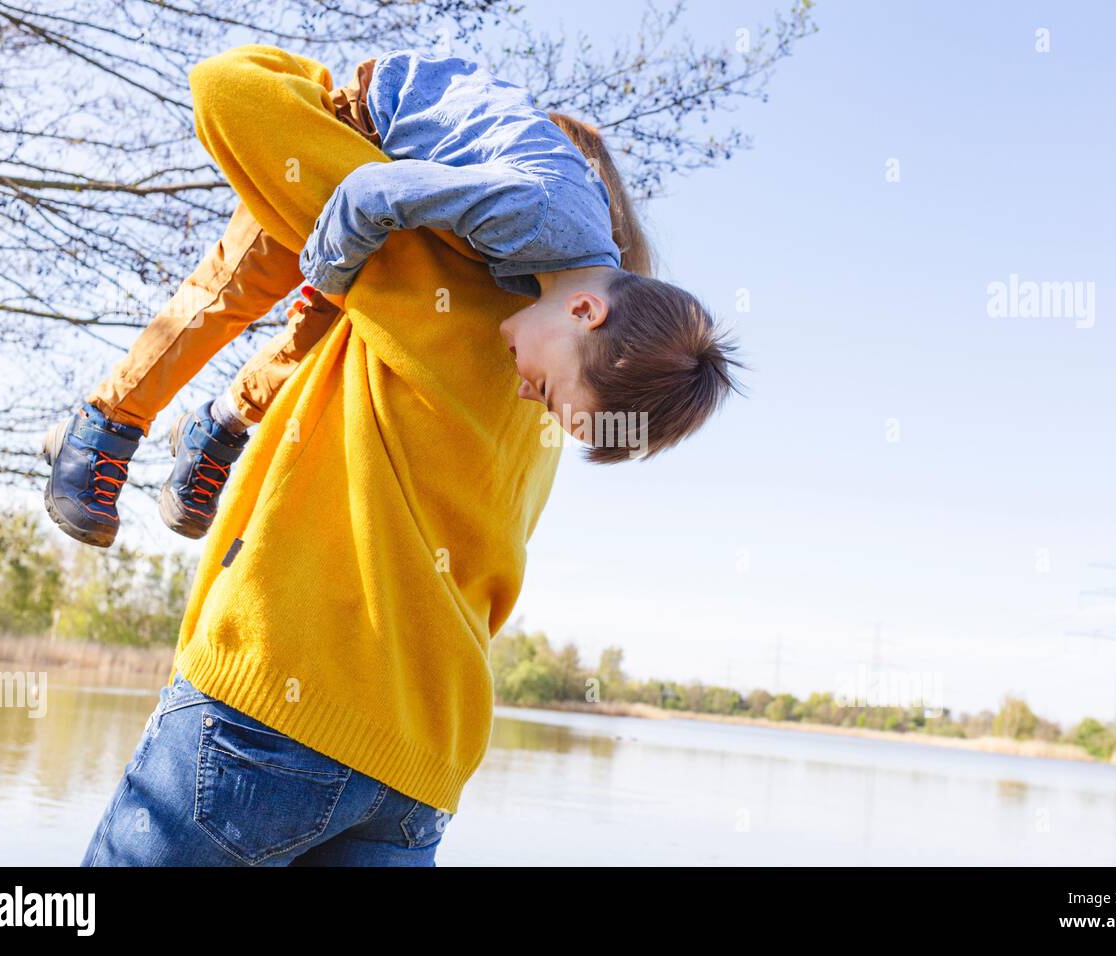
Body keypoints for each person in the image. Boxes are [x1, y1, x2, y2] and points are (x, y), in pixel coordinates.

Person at [78, 44, 744, 866]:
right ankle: (201, 425)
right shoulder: (557, 409)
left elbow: (227, 90)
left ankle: (131, 423)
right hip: (419, 771)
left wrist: (356, 104)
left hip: (281, 706)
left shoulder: (442, 267)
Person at [43, 48, 742, 548]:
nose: (532, 399)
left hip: (400, 201)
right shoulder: (539, 215)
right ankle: (106, 421)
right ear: (587, 313)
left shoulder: (570, 273)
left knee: (320, 332)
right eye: (553, 394)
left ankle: (215, 427)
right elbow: (372, 193)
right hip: (361, 132)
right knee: (235, 289)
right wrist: (332, 281)